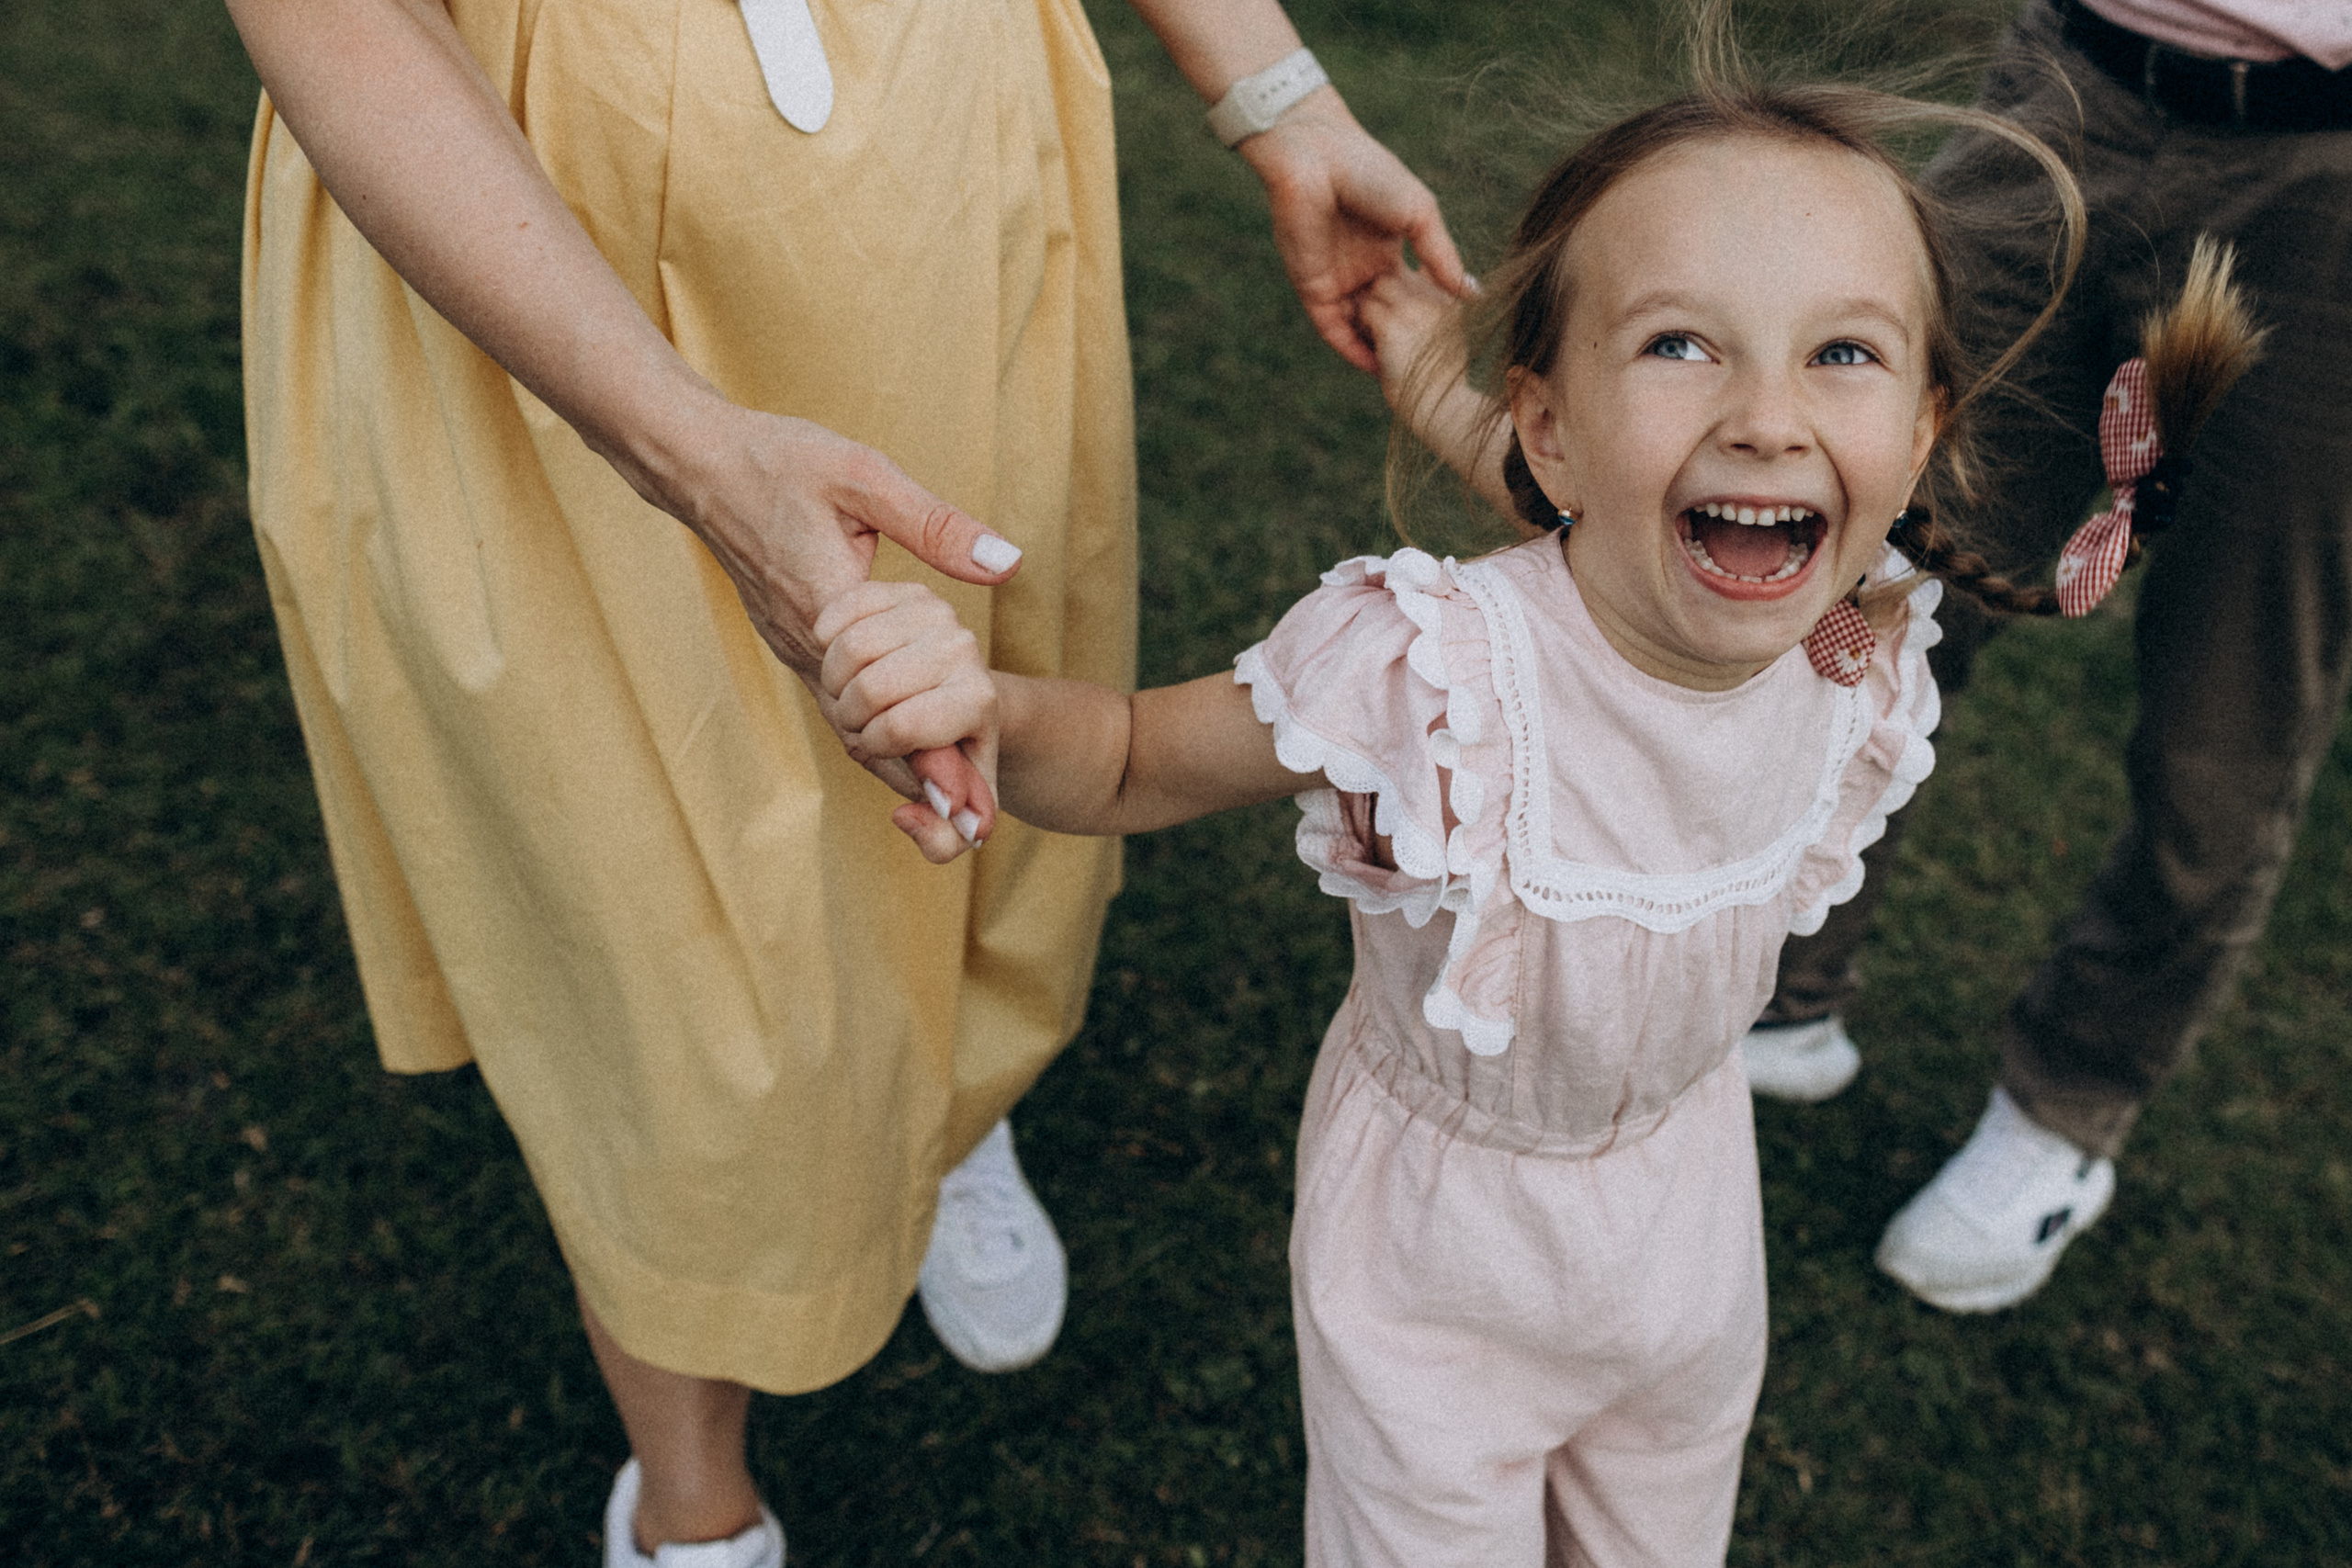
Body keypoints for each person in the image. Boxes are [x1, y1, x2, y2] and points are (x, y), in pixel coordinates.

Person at [223, 0, 1468, 1561]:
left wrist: (1279, 99)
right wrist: (685, 447)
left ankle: (939, 1106)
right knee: (646, 886)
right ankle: (691, 1498)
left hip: (943, 162)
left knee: (967, 732)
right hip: (535, 196)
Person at [817, 73, 2098, 1562]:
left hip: (1688, 1220)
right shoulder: (1428, 673)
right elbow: (1120, 764)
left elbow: (1691, 550)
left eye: (1844, 354)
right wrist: (984, 709)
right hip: (1436, 1261)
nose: (1766, 418)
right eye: (1680, 344)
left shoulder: (1852, 649)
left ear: (1926, 428)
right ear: (1546, 433)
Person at [1738, 0, 2352, 1314]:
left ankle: (2071, 1102)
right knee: (1865, 576)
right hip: (2074, 82)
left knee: (2223, 717)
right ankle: (1778, 979)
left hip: (2329, 175)